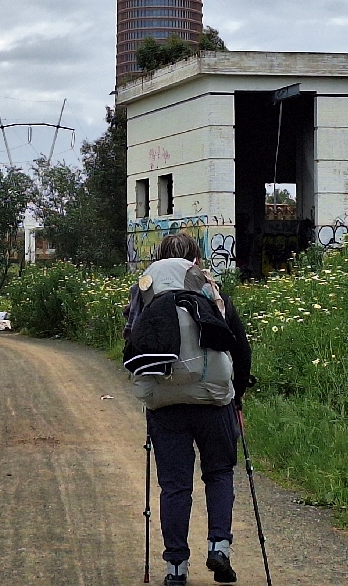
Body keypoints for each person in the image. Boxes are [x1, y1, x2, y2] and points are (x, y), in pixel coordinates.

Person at [124, 233, 253, 585]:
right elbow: (239, 346)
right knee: (219, 473)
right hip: (214, 399)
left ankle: (176, 569)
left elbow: (132, 343)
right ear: (196, 259)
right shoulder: (211, 290)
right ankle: (219, 547)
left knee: (175, 486)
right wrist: (236, 394)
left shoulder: (144, 291)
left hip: (165, 403)